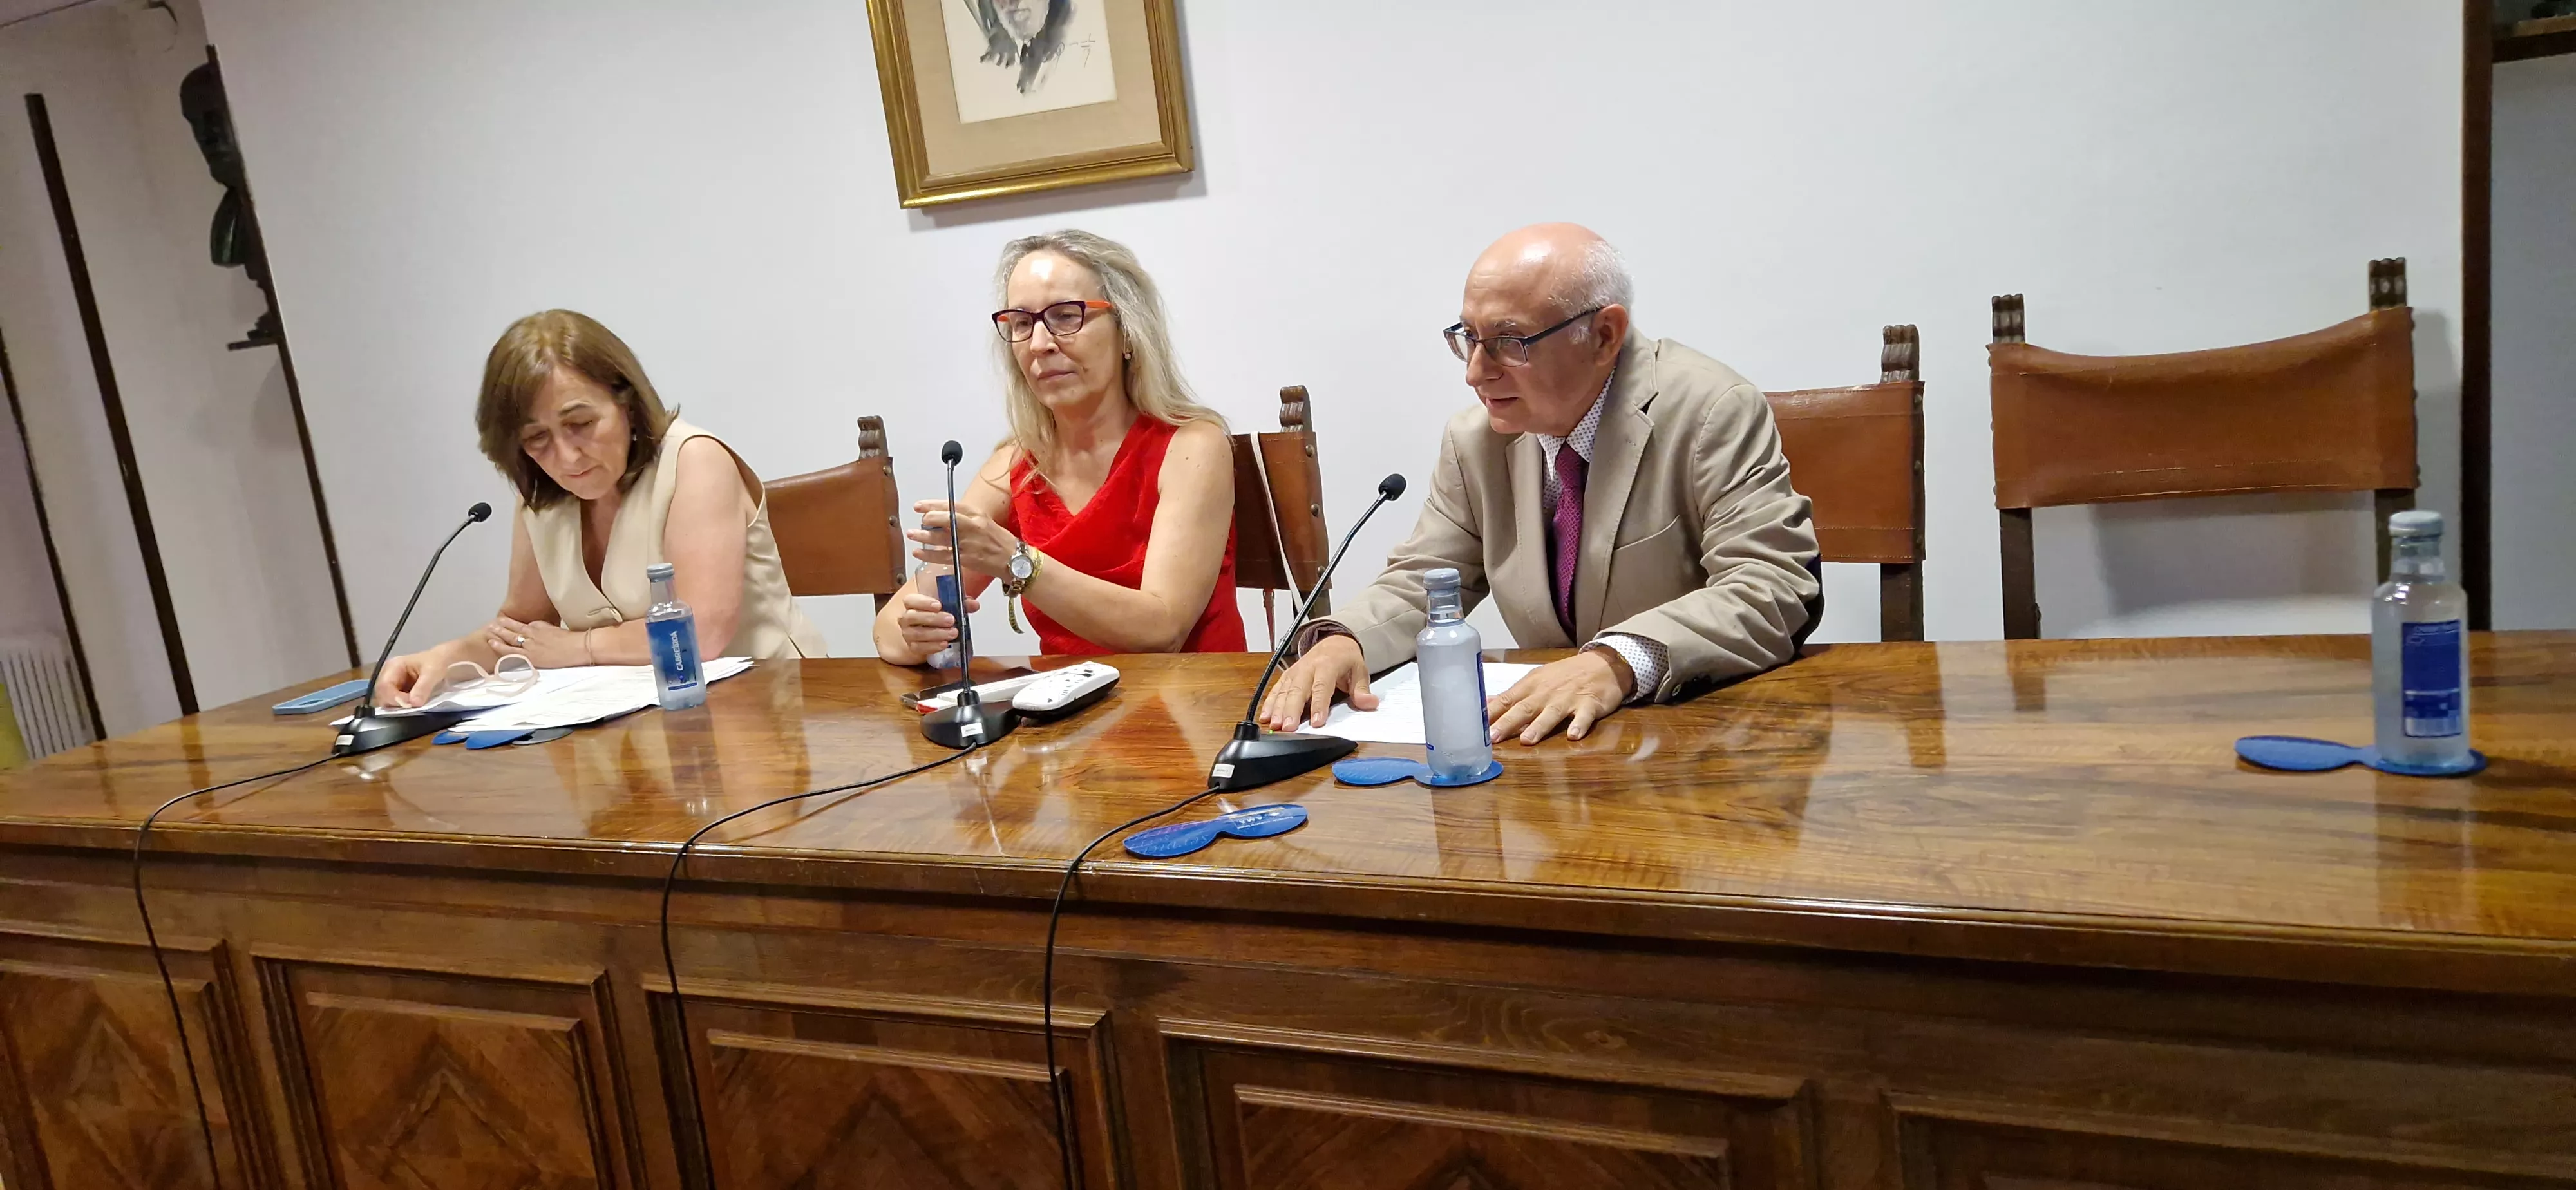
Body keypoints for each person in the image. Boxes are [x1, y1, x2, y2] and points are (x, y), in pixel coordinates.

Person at [1261, 223, 1821, 744]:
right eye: (1468, 337)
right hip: (1547, 752)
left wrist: (1619, 661)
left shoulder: (1711, 411)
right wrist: (1345, 639)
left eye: (1509, 341)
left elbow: (1772, 586)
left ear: (1604, 335)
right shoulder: (1475, 440)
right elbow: (1423, 581)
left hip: (1697, 740)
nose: (1475, 372)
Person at [375, 310, 826, 707]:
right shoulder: (541, 497)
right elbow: (521, 629)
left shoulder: (694, 460)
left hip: (770, 705)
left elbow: (700, 633)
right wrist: (443, 659)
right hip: (638, 726)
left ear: (627, 405)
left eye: (580, 423)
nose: (566, 456)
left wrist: (580, 647)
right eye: (537, 438)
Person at [871, 229, 1244, 663]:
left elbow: (1162, 630)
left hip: (1196, 698)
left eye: (1066, 317)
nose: (1040, 345)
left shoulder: (1193, 446)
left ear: (1127, 333)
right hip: (1068, 701)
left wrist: (1017, 563)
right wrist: (916, 634)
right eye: (1022, 324)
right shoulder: (1015, 465)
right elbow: (887, 631)